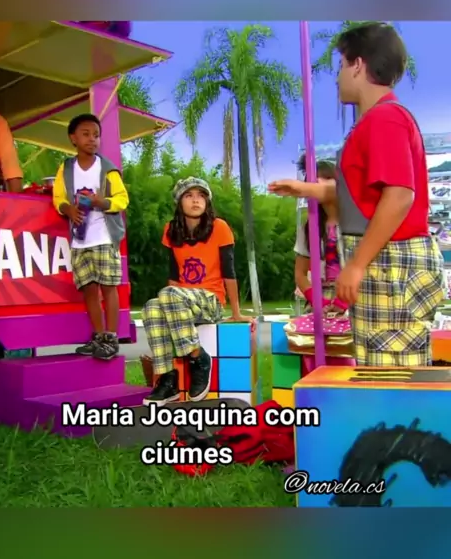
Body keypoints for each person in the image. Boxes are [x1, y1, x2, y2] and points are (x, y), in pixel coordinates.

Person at [269, 22, 444, 367]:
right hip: (384, 262)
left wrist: (356, 265)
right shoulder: (374, 121)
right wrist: (309, 189)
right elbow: (364, 194)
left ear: (358, 65)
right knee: (377, 369)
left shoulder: (385, 119)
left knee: (391, 375)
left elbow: (399, 195)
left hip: (390, 264)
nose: (337, 77)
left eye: (341, 65)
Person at [142, 177, 253, 406]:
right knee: (152, 306)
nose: (196, 200)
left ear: (207, 202)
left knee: (168, 294)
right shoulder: (170, 230)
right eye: (189, 195)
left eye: (201, 196)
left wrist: (236, 313)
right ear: (179, 201)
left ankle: (198, 358)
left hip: (211, 300)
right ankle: (168, 379)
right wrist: (168, 307)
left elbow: (229, 271)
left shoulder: (220, 227)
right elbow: (173, 274)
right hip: (179, 302)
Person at [52, 113, 129, 360]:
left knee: (109, 288)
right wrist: (68, 209)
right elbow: (58, 197)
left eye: (96, 135)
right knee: (88, 289)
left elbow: (122, 199)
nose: (92, 139)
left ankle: (111, 339)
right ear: (73, 138)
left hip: (104, 236)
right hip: (79, 239)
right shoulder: (66, 168)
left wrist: (101, 202)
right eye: (85, 134)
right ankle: (98, 337)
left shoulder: (107, 169)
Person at [294, 155, 347, 313]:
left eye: (327, 178)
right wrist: (316, 299)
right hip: (322, 296)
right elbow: (300, 273)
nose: (319, 182)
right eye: (314, 180)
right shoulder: (309, 228)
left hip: (355, 292)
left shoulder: (357, 221)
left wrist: (344, 299)